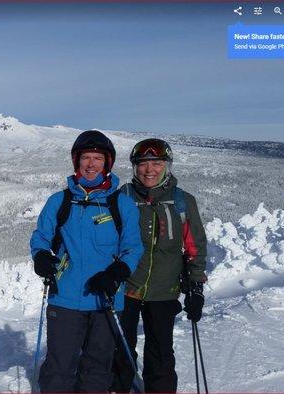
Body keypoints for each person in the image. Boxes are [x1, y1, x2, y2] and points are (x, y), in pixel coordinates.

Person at [30, 130, 144, 393]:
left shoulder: (121, 204)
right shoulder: (60, 201)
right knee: (59, 367)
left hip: (105, 297)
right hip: (66, 297)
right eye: (86, 158)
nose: (91, 164)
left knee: (97, 367)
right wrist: (41, 257)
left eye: (97, 158)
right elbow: (41, 237)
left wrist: (117, 272)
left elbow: (133, 247)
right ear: (76, 162)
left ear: (107, 163)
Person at [112, 138, 207, 393]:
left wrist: (196, 285)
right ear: (134, 167)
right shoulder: (122, 198)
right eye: (143, 164)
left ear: (167, 166)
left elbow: (194, 246)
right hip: (126, 289)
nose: (149, 170)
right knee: (119, 348)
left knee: (161, 353)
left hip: (164, 290)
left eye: (156, 163)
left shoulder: (182, 201)